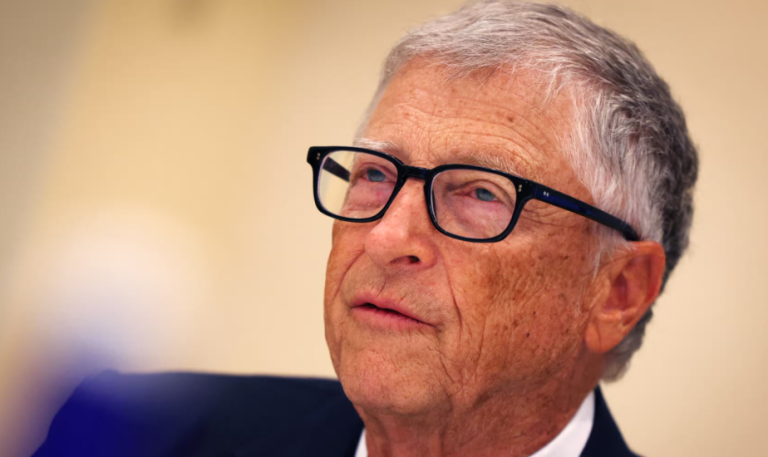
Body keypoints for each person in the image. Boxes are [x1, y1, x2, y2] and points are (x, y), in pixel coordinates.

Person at [33, 1, 698, 456]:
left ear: (616, 291)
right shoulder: (156, 436)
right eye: (376, 174)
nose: (385, 237)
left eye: (480, 193)